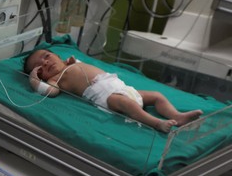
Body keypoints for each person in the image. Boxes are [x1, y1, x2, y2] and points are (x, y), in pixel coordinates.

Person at [22, 49, 202, 132]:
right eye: (40, 66)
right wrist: (35, 80)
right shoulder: (56, 79)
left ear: (57, 56)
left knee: (156, 96)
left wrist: (73, 62)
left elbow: (78, 65)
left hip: (122, 88)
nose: (45, 62)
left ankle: (178, 116)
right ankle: (156, 123)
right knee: (126, 103)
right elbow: (50, 92)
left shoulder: (70, 63)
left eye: (46, 56)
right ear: (42, 74)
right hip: (107, 97)